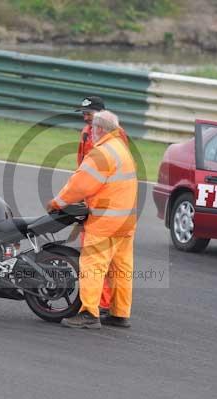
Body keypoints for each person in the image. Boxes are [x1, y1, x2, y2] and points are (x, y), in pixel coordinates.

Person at [47, 110, 137, 329]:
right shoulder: (122, 149)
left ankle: (88, 313)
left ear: (99, 129)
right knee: (121, 268)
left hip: (106, 221)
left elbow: (79, 185)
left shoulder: (101, 153)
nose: (90, 132)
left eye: (92, 129)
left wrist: (56, 203)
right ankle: (119, 313)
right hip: (126, 220)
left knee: (92, 265)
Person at [74, 96, 130, 316]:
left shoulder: (117, 136)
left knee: (97, 258)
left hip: (109, 202)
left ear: (102, 115)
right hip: (93, 198)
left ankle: (99, 305)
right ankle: (112, 307)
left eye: (89, 113)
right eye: (84, 113)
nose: (85, 116)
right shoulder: (86, 133)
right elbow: (82, 166)